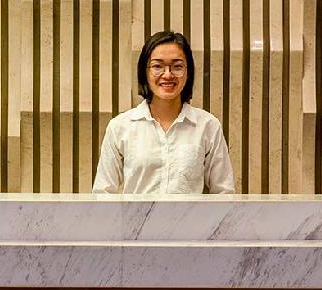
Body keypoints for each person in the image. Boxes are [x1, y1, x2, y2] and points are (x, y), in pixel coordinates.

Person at [92, 30, 236, 195]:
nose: (167, 75)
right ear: (145, 72)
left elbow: (224, 193)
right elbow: (103, 194)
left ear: (188, 72)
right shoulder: (120, 127)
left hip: (190, 214)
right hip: (136, 214)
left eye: (177, 66)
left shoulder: (208, 126)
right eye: (157, 66)